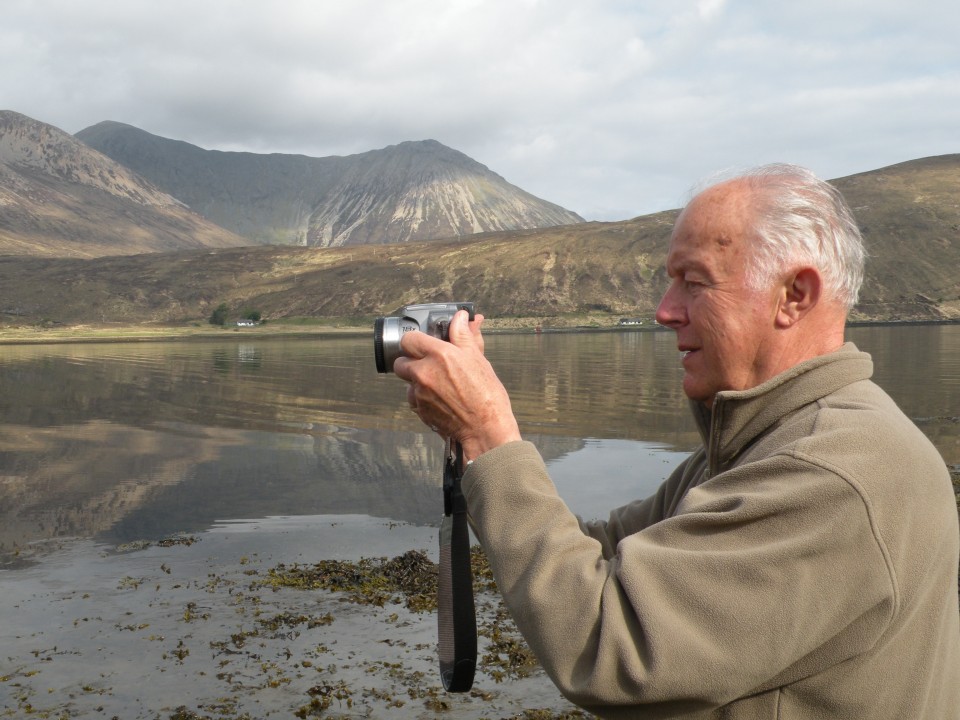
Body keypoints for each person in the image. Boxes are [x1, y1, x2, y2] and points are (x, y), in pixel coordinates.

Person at [392, 163, 960, 719]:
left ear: (794, 296)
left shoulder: (832, 471)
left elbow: (609, 647)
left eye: (694, 282)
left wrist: (490, 435)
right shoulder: (763, 442)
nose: (664, 311)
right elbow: (600, 552)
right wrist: (472, 436)